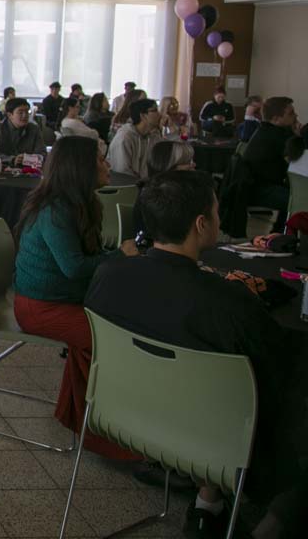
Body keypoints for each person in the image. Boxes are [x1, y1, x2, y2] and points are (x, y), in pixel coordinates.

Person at [86, 171, 308, 538]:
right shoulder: (228, 303)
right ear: (202, 223)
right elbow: (279, 377)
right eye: (218, 212)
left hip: (124, 418)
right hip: (212, 437)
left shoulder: (108, 274)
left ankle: (209, 502)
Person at [11, 137, 139, 460]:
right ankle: (106, 436)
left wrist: (115, 256)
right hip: (40, 308)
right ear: (80, 168)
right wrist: (120, 257)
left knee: (113, 325)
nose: (107, 165)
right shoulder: (56, 210)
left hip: (59, 300)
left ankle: (80, 418)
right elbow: (74, 267)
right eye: (100, 160)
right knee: (108, 339)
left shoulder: (74, 203)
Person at [243, 96, 300, 213]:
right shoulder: (278, 135)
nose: (296, 115)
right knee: (299, 199)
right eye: (291, 113)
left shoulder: (264, 129)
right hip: (260, 191)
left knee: (295, 193)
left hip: (253, 187)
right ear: (276, 119)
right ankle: (285, 230)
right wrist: (298, 135)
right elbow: (296, 158)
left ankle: (282, 229)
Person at [107, 98, 160, 180]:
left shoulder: (153, 136)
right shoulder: (124, 137)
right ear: (143, 115)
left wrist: (171, 128)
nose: (159, 114)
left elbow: (167, 158)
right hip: (125, 187)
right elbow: (122, 171)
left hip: (145, 185)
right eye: (155, 110)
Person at [0, 97, 46, 165]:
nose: (25, 115)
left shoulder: (34, 129)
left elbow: (42, 153)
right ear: (9, 115)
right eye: (20, 113)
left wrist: (29, 158)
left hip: (29, 169)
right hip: (4, 169)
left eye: (27, 112)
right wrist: (12, 159)